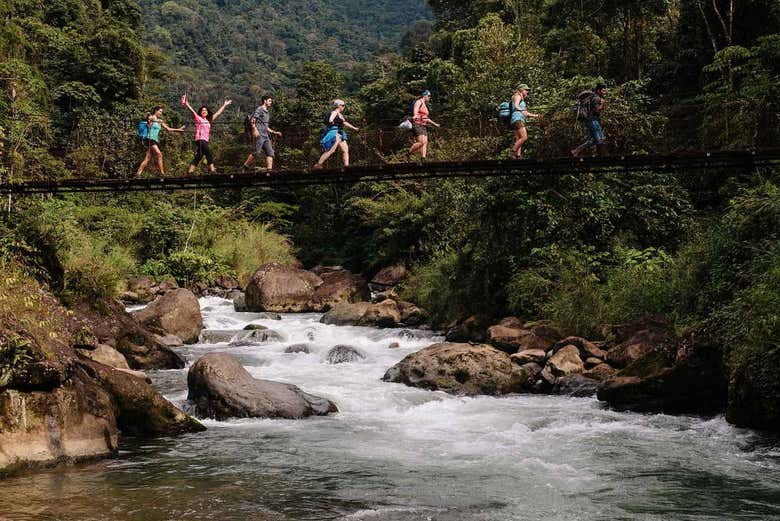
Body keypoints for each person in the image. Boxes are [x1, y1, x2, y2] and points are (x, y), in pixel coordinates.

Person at [183, 96, 232, 175]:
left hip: (205, 141)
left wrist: (225, 105)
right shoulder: (198, 118)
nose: (204, 111)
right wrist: (187, 103)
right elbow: (192, 111)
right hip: (200, 139)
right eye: (202, 110)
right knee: (208, 153)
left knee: (198, 156)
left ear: (208, 112)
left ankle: (190, 171)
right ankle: (212, 171)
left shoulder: (209, 121)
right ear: (200, 112)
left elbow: (218, 113)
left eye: (205, 110)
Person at [136, 106, 186, 177]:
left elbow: (168, 129)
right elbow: (149, 118)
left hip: (155, 140)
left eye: (161, 112)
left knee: (147, 159)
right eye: (160, 111)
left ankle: (138, 173)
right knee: (159, 154)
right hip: (150, 139)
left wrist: (179, 129)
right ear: (156, 111)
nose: (161, 113)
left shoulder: (160, 121)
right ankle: (162, 174)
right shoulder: (152, 117)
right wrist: (157, 121)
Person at [313, 99, 359, 169]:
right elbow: (331, 119)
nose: (344, 107)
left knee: (345, 150)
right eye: (343, 105)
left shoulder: (340, 114)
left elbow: (344, 122)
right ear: (339, 106)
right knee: (331, 150)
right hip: (335, 133)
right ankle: (318, 164)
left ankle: (346, 166)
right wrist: (331, 121)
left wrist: (354, 128)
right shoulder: (335, 112)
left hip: (340, 133)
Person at [242, 95, 282, 172]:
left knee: (270, 153)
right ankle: (245, 167)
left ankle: (269, 171)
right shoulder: (259, 109)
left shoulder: (267, 113)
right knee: (256, 153)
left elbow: (266, 127)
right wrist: (254, 129)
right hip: (259, 135)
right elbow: (253, 120)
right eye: (269, 101)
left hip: (265, 136)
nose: (271, 102)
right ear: (265, 101)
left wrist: (275, 132)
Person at [572, 83, 607, 157]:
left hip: (590, 120)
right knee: (600, 139)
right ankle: (601, 158)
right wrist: (602, 104)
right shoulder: (596, 98)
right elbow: (597, 110)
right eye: (603, 91)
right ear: (598, 90)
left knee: (592, 140)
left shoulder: (594, 97)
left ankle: (576, 151)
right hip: (592, 120)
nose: (605, 92)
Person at [407, 90, 440, 161]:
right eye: (429, 96)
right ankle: (408, 154)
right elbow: (415, 110)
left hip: (423, 125)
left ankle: (423, 159)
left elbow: (426, 118)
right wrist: (415, 115)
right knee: (421, 142)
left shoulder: (425, 105)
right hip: (417, 124)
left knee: (425, 142)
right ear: (424, 95)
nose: (429, 97)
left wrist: (435, 124)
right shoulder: (419, 102)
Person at [509, 84, 540, 160]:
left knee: (519, 139)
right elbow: (516, 106)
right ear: (521, 90)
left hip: (518, 119)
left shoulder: (522, 101)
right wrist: (522, 110)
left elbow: (526, 113)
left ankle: (518, 156)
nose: (527, 92)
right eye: (526, 90)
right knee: (524, 137)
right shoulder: (517, 96)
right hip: (517, 119)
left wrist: (536, 116)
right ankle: (512, 152)